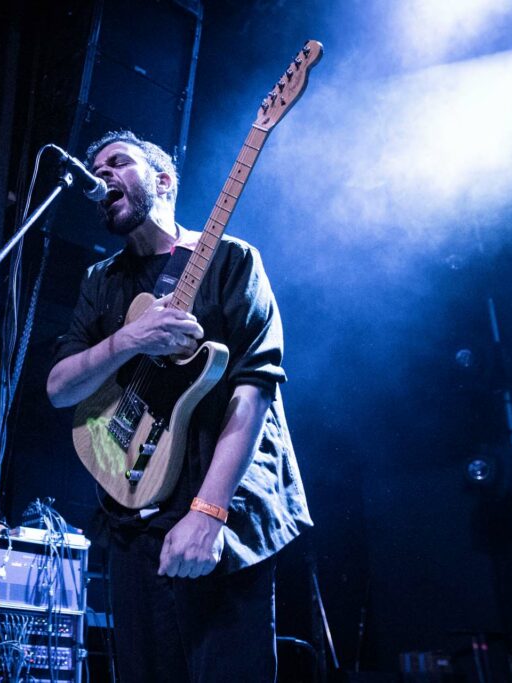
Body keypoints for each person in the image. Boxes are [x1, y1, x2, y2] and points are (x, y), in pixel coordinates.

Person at [46, 130, 312, 682]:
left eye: (118, 162)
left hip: (220, 517)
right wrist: (129, 339)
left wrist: (208, 513)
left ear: (163, 180)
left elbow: (255, 387)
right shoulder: (102, 280)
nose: (102, 174)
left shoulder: (231, 259)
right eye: (96, 167)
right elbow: (60, 388)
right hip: (132, 520)